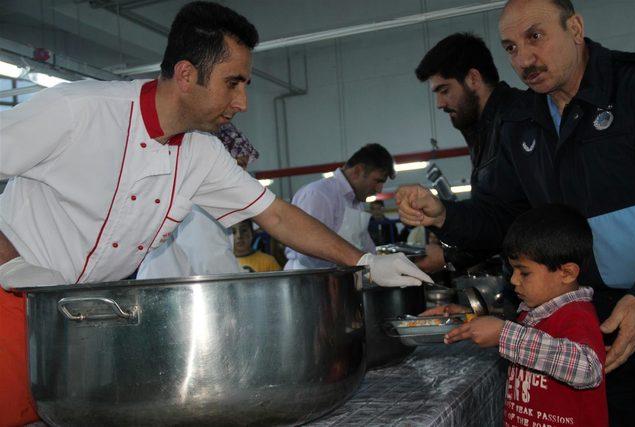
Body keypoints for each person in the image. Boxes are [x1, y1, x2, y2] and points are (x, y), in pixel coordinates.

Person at [0, 2, 431, 425]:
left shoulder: (201, 154)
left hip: (85, 325)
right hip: (10, 304)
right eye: (234, 83)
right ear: (186, 75)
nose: (242, 101)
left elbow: (276, 216)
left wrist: (365, 261)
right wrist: (10, 260)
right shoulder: (77, 111)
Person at [397, 1, 635, 424]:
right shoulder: (522, 123)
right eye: (510, 47)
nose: (524, 59)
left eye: (536, 37)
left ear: (576, 28)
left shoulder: (632, 87)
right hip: (579, 322)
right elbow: (504, 220)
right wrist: (443, 215)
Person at [445, 205, 607, 427]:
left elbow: (587, 369)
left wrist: (504, 335)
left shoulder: (576, 314)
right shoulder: (533, 311)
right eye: (512, 270)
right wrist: (470, 318)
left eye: (524, 272)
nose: (513, 280)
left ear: (567, 273)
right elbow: (519, 338)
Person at [412, 32, 528, 273]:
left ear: (473, 78)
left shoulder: (517, 122)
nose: (439, 104)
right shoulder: (484, 131)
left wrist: (447, 245)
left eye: (444, 90)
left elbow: (508, 221)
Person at [137, 122, 258, 278]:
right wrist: (239, 290)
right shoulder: (202, 200)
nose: (243, 175)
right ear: (220, 161)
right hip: (172, 293)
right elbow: (211, 262)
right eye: (240, 165)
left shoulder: (190, 187)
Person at [284, 144, 395, 270]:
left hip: (339, 279)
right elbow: (307, 253)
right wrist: (354, 261)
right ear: (357, 171)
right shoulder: (318, 194)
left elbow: (364, 245)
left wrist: (382, 265)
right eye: (378, 181)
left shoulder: (357, 203)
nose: (379, 189)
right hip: (308, 281)